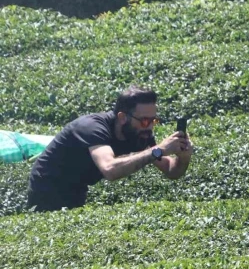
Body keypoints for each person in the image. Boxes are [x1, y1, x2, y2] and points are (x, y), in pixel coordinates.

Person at [27, 86, 193, 211]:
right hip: (48, 187)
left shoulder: (141, 132)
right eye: (144, 120)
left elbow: (171, 170)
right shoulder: (92, 128)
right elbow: (110, 169)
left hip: (78, 188)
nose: (149, 127)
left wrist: (183, 157)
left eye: (153, 121)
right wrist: (159, 150)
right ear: (122, 117)